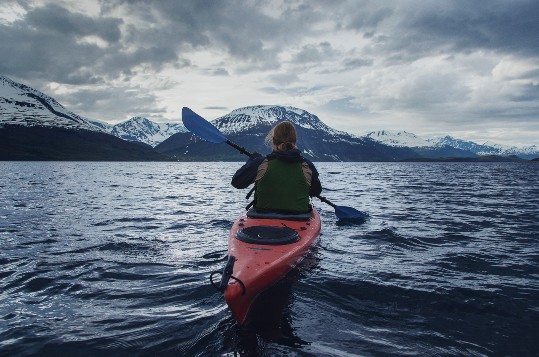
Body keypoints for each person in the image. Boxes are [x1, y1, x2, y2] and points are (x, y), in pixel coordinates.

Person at [231, 121, 322, 214]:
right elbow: (316, 191)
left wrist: (252, 161)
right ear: (294, 140)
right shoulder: (307, 165)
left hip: (263, 216)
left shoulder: (260, 163)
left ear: (273, 140)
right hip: (299, 217)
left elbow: (237, 183)